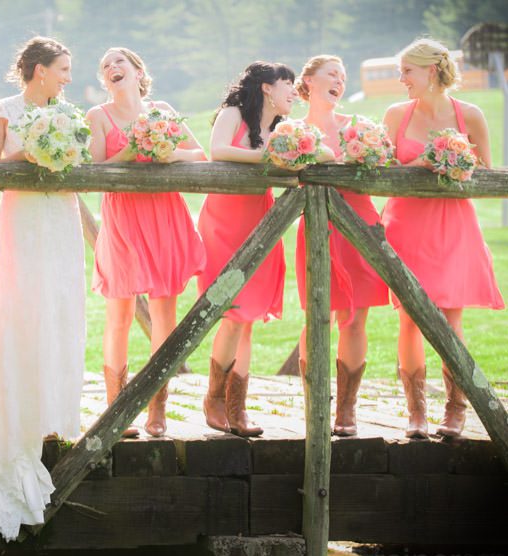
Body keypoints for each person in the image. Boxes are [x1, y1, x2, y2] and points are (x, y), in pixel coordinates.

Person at [0, 36, 85, 541]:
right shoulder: (4, 109)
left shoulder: (70, 113)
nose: (68, 78)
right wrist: (29, 159)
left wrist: (60, 161)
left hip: (61, 213)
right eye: (63, 69)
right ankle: (17, 414)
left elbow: (80, 164)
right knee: (24, 306)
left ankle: (51, 410)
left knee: (59, 306)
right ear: (38, 71)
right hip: (24, 216)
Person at [382, 39, 503, 439]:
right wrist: (421, 162)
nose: (402, 80)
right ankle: (415, 411)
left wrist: (459, 162)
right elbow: (380, 169)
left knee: (451, 318)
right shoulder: (395, 114)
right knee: (411, 319)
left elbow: (486, 172)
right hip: (406, 226)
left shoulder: (471, 115)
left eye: (407, 72)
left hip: (453, 227)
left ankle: (455, 409)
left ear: (431, 70)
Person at [88, 47, 206, 438]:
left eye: (119, 61)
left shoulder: (163, 111)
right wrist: (132, 150)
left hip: (163, 215)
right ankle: (117, 408)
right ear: (105, 81)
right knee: (119, 314)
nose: (111, 68)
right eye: (106, 66)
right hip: (122, 218)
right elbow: (95, 169)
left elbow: (199, 155)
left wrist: (170, 155)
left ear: (139, 71)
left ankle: (157, 405)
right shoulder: (98, 117)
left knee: (163, 314)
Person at [198, 62, 296, 437]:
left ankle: (238, 409)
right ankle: (214, 399)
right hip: (224, 221)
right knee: (233, 313)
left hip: (260, 219)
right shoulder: (233, 114)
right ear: (268, 88)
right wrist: (268, 158)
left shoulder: (282, 131)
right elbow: (217, 150)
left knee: (249, 319)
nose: (293, 91)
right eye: (288, 83)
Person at [293, 55, 389, 437]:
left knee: (356, 317)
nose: (340, 80)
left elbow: (382, 168)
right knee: (317, 317)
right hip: (316, 228)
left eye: (344, 76)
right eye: (332, 74)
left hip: (360, 224)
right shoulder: (291, 131)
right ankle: (315, 404)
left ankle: (347, 408)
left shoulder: (359, 129)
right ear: (309, 81)